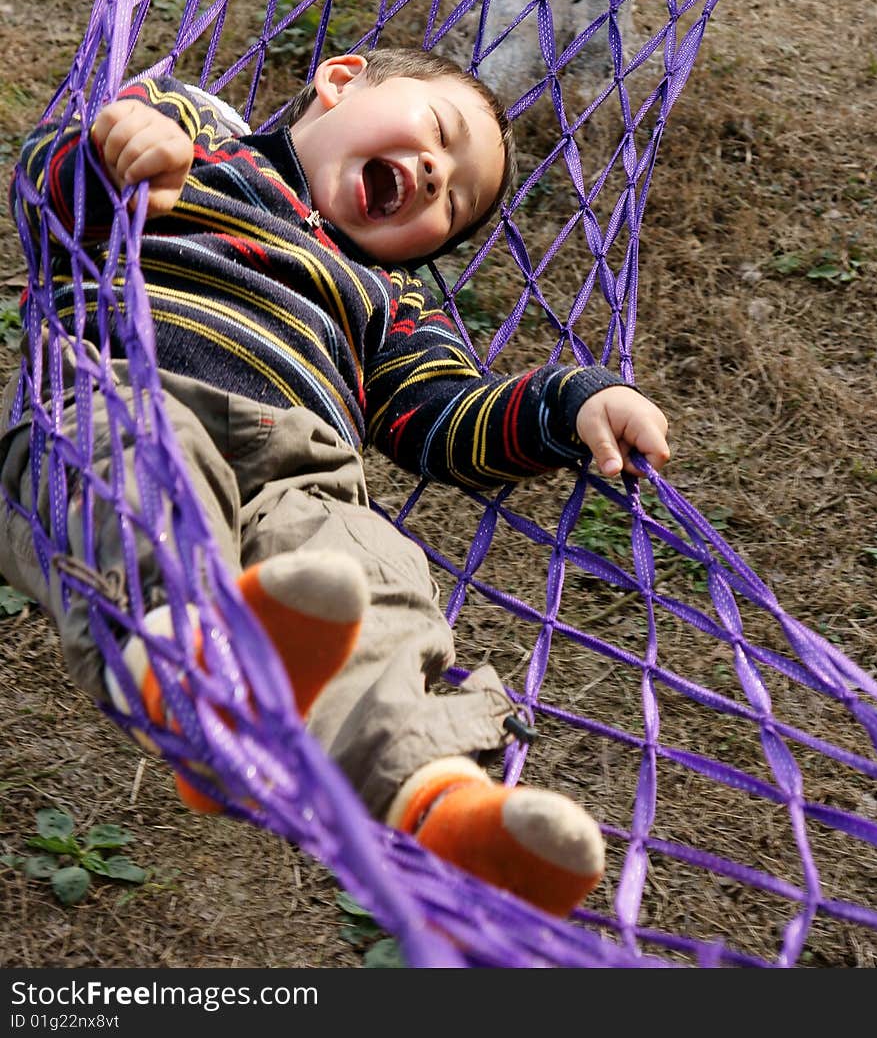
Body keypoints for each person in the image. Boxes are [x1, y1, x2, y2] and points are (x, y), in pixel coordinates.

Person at [1, 47, 670, 918]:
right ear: (341, 80)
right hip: (126, 391)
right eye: (437, 134)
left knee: (370, 572)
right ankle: (194, 678)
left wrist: (573, 402)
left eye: (457, 202)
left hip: (302, 471)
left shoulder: (391, 297)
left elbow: (445, 418)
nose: (436, 175)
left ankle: (438, 803)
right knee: (130, 474)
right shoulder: (200, 143)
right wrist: (117, 150)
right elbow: (45, 196)